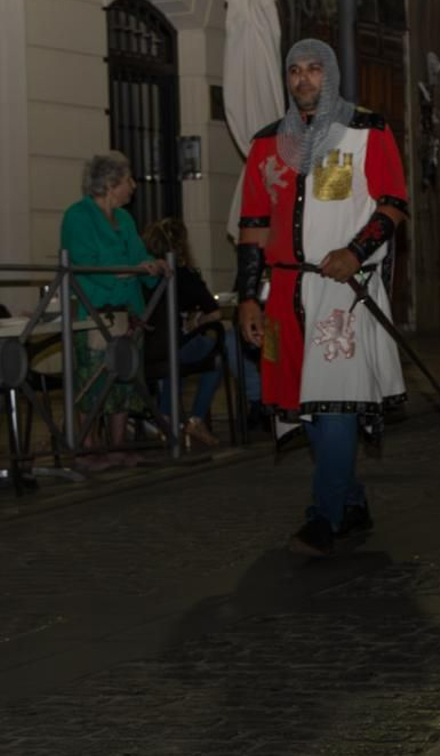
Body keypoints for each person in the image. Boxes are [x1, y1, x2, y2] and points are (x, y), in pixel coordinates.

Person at [235, 39, 408, 557]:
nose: (304, 79)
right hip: (283, 292)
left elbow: (393, 205)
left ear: (329, 74)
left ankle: (324, 518)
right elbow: (253, 228)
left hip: (339, 291)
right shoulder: (267, 143)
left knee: (334, 402)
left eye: (313, 69)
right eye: (295, 71)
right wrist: (246, 298)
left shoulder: (365, 131)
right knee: (302, 404)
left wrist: (356, 252)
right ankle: (350, 502)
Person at [59, 152, 168, 468]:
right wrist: (126, 270)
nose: (134, 186)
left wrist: (154, 265)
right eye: (128, 180)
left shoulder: (124, 219)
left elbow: (138, 254)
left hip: (128, 311)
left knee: (125, 378)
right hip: (95, 311)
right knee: (92, 378)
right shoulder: (77, 216)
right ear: (109, 184)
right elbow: (82, 262)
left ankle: (118, 444)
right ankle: (88, 446)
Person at [141, 218, 262, 446]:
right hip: (175, 346)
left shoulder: (142, 276)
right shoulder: (184, 276)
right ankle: (196, 418)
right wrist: (198, 322)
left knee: (171, 357)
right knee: (215, 353)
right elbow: (215, 314)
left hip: (145, 347)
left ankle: (164, 416)